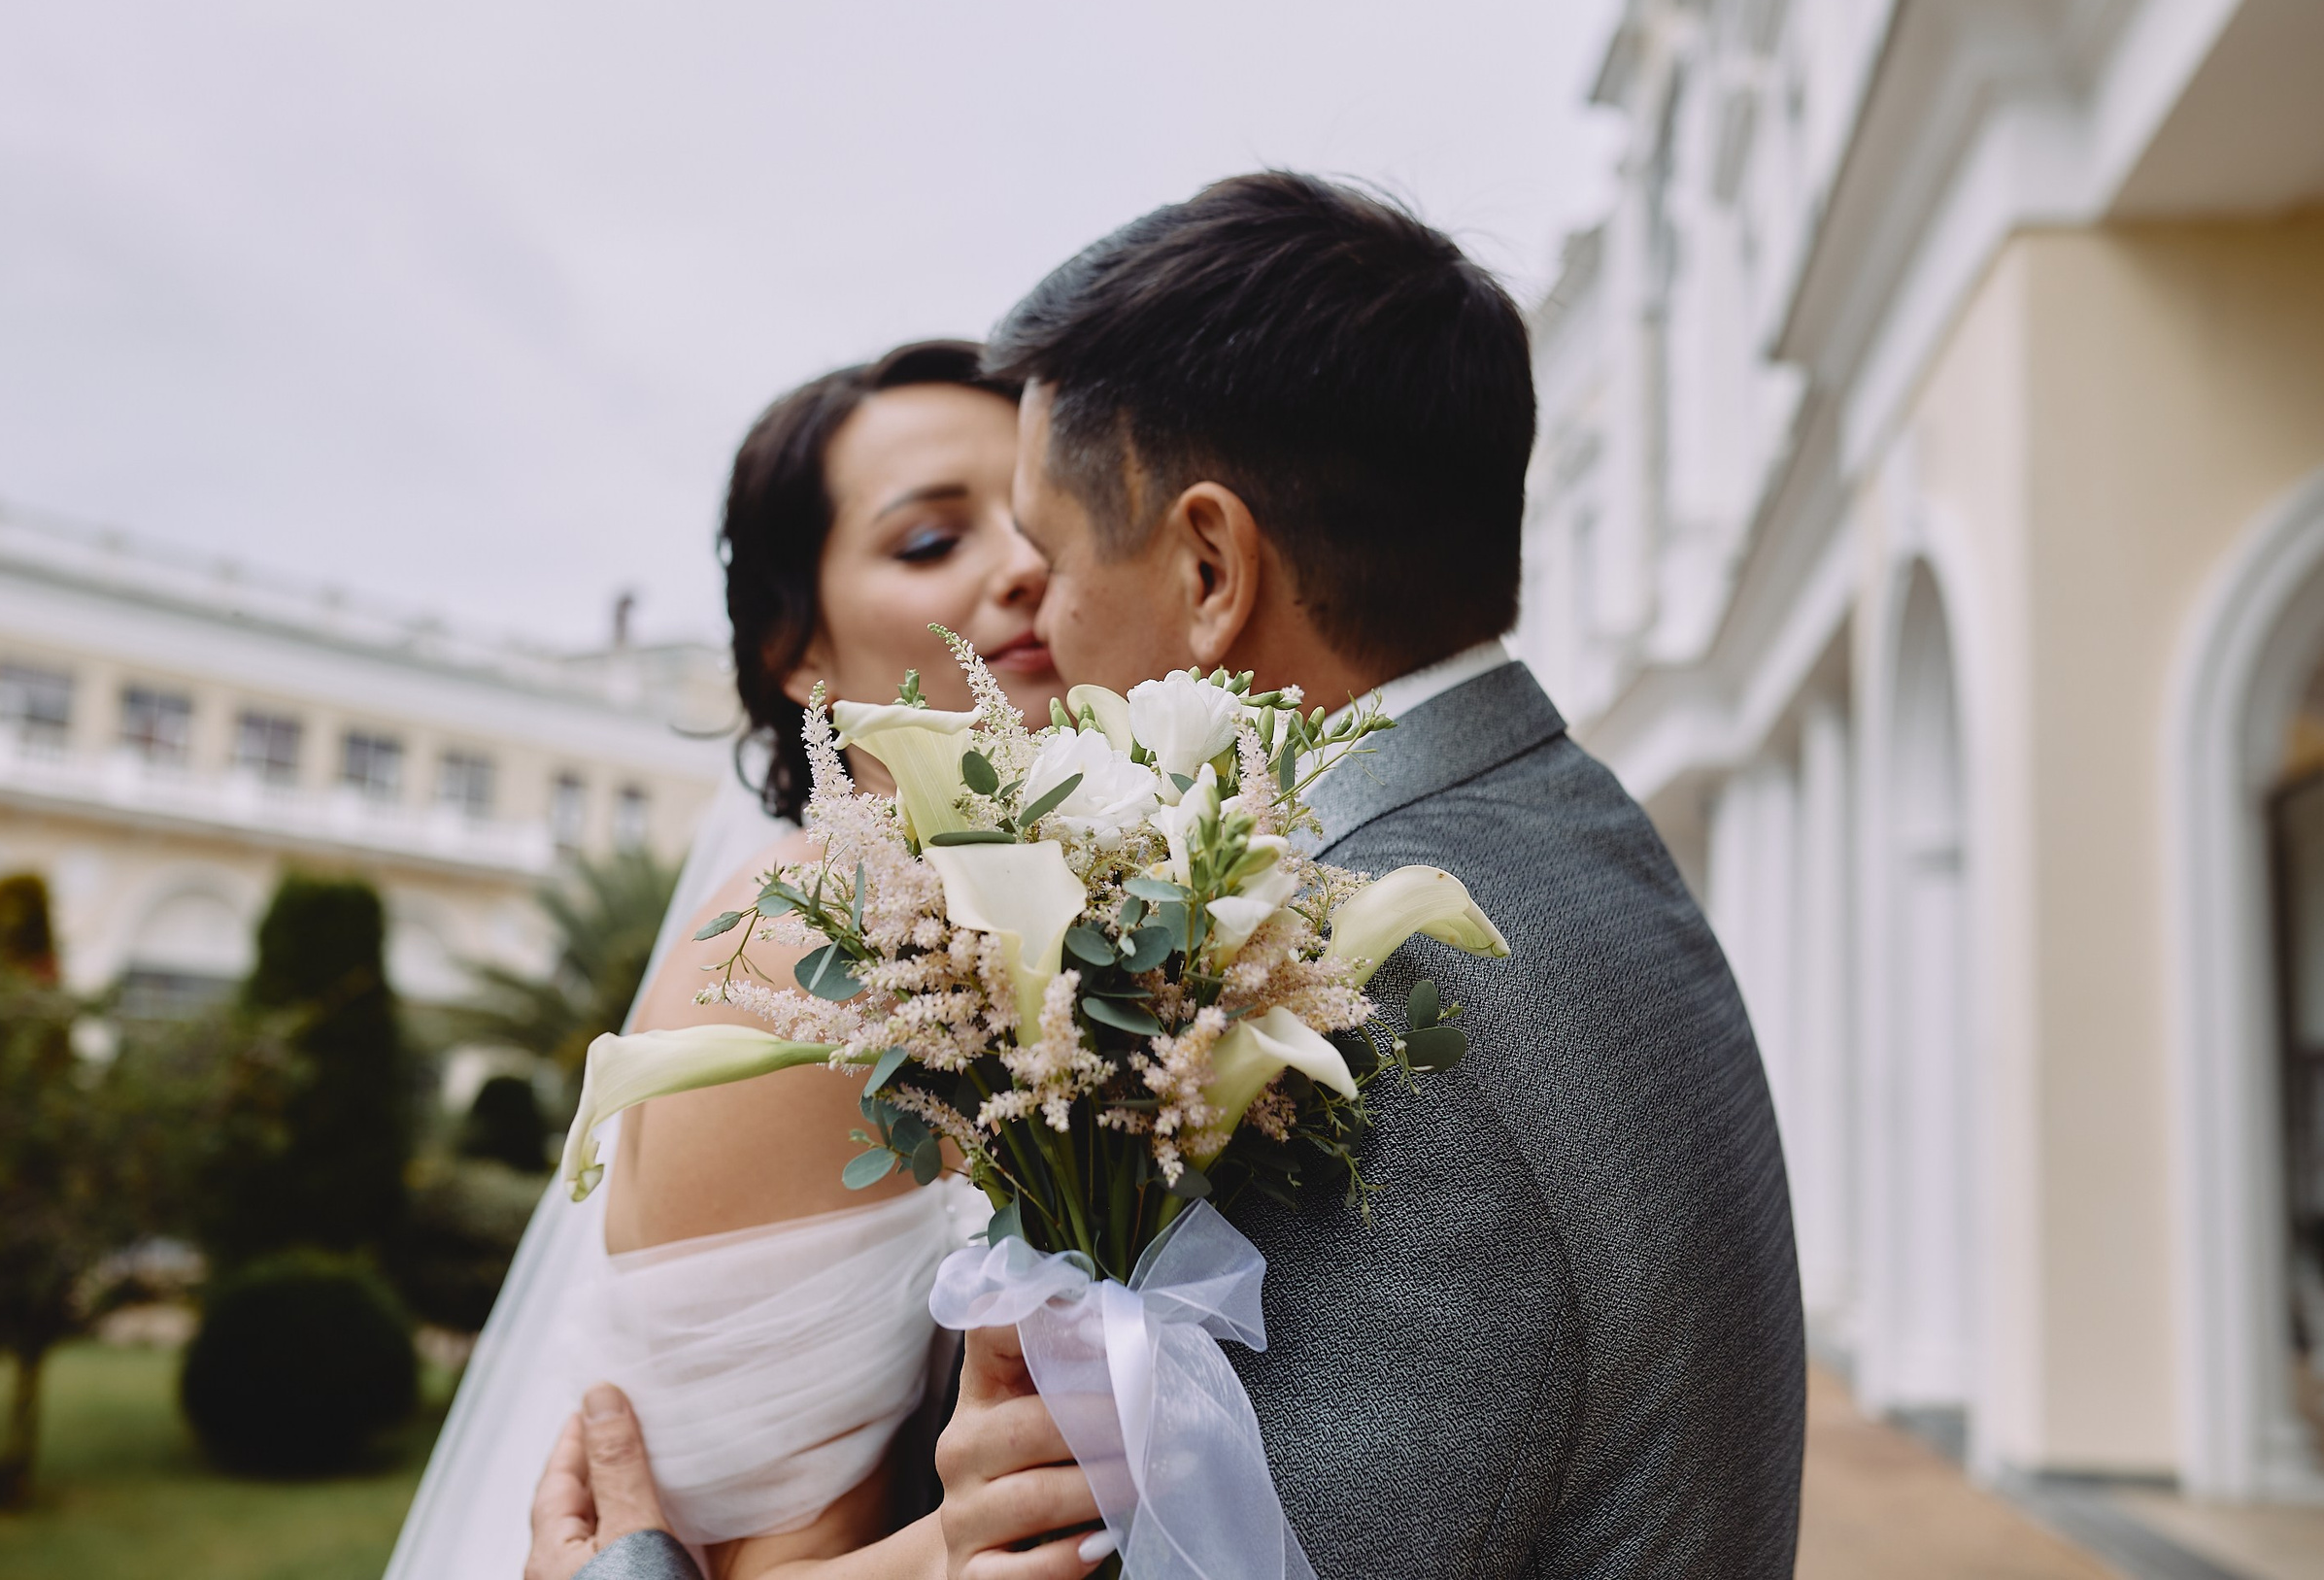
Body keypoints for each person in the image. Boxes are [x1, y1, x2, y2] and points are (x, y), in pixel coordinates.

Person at [931, 173, 1807, 1576]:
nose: (1030, 615)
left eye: (1047, 551)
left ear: (1211, 563)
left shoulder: (1355, 978)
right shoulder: (1555, 828)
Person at [387, 338, 1061, 1580]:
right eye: (930, 541)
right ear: (796, 649)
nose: (1022, 569)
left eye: (1046, 523)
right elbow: (741, 1564)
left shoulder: (1090, 926)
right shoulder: (809, 950)